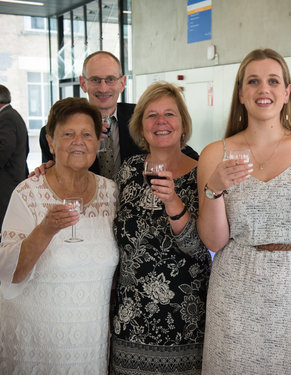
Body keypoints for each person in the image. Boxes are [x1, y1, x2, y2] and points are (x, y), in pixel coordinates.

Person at [197, 48, 291, 374]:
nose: (263, 89)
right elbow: (214, 241)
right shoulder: (214, 155)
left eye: (273, 81)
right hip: (234, 298)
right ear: (241, 93)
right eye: (253, 81)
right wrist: (214, 187)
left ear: (286, 92)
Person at [0, 97, 118, 373]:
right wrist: (46, 230)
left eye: (87, 134)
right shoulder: (28, 193)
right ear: (51, 142)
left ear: (98, 143)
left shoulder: (112, 193)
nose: (79, 141)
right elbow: (9, 273)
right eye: (68, 134)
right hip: (35, 342)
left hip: (91, 341)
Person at [109, 81, 211, 374]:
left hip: (185, 322)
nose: (161, 121)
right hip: (131, 321)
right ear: (141, 127)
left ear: (183, 124)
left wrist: (173, 202)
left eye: (170, 114)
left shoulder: (201, 170)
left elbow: (202, 246)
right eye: (151, 115)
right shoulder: (129, 169)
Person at [37, 51, 198, 180]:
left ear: (122, 83)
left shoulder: (143, 119)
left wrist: (207, 165)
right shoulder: (55, 132)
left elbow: (179, 150)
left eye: (110, 79)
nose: (103, 88)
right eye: (95, 80)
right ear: (83, 83)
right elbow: (54, 172)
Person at [0, 84, 29, 230]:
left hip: (7, 183)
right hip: (14, 179)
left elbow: (5, 148)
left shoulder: (6, 117)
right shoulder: (12, 115)